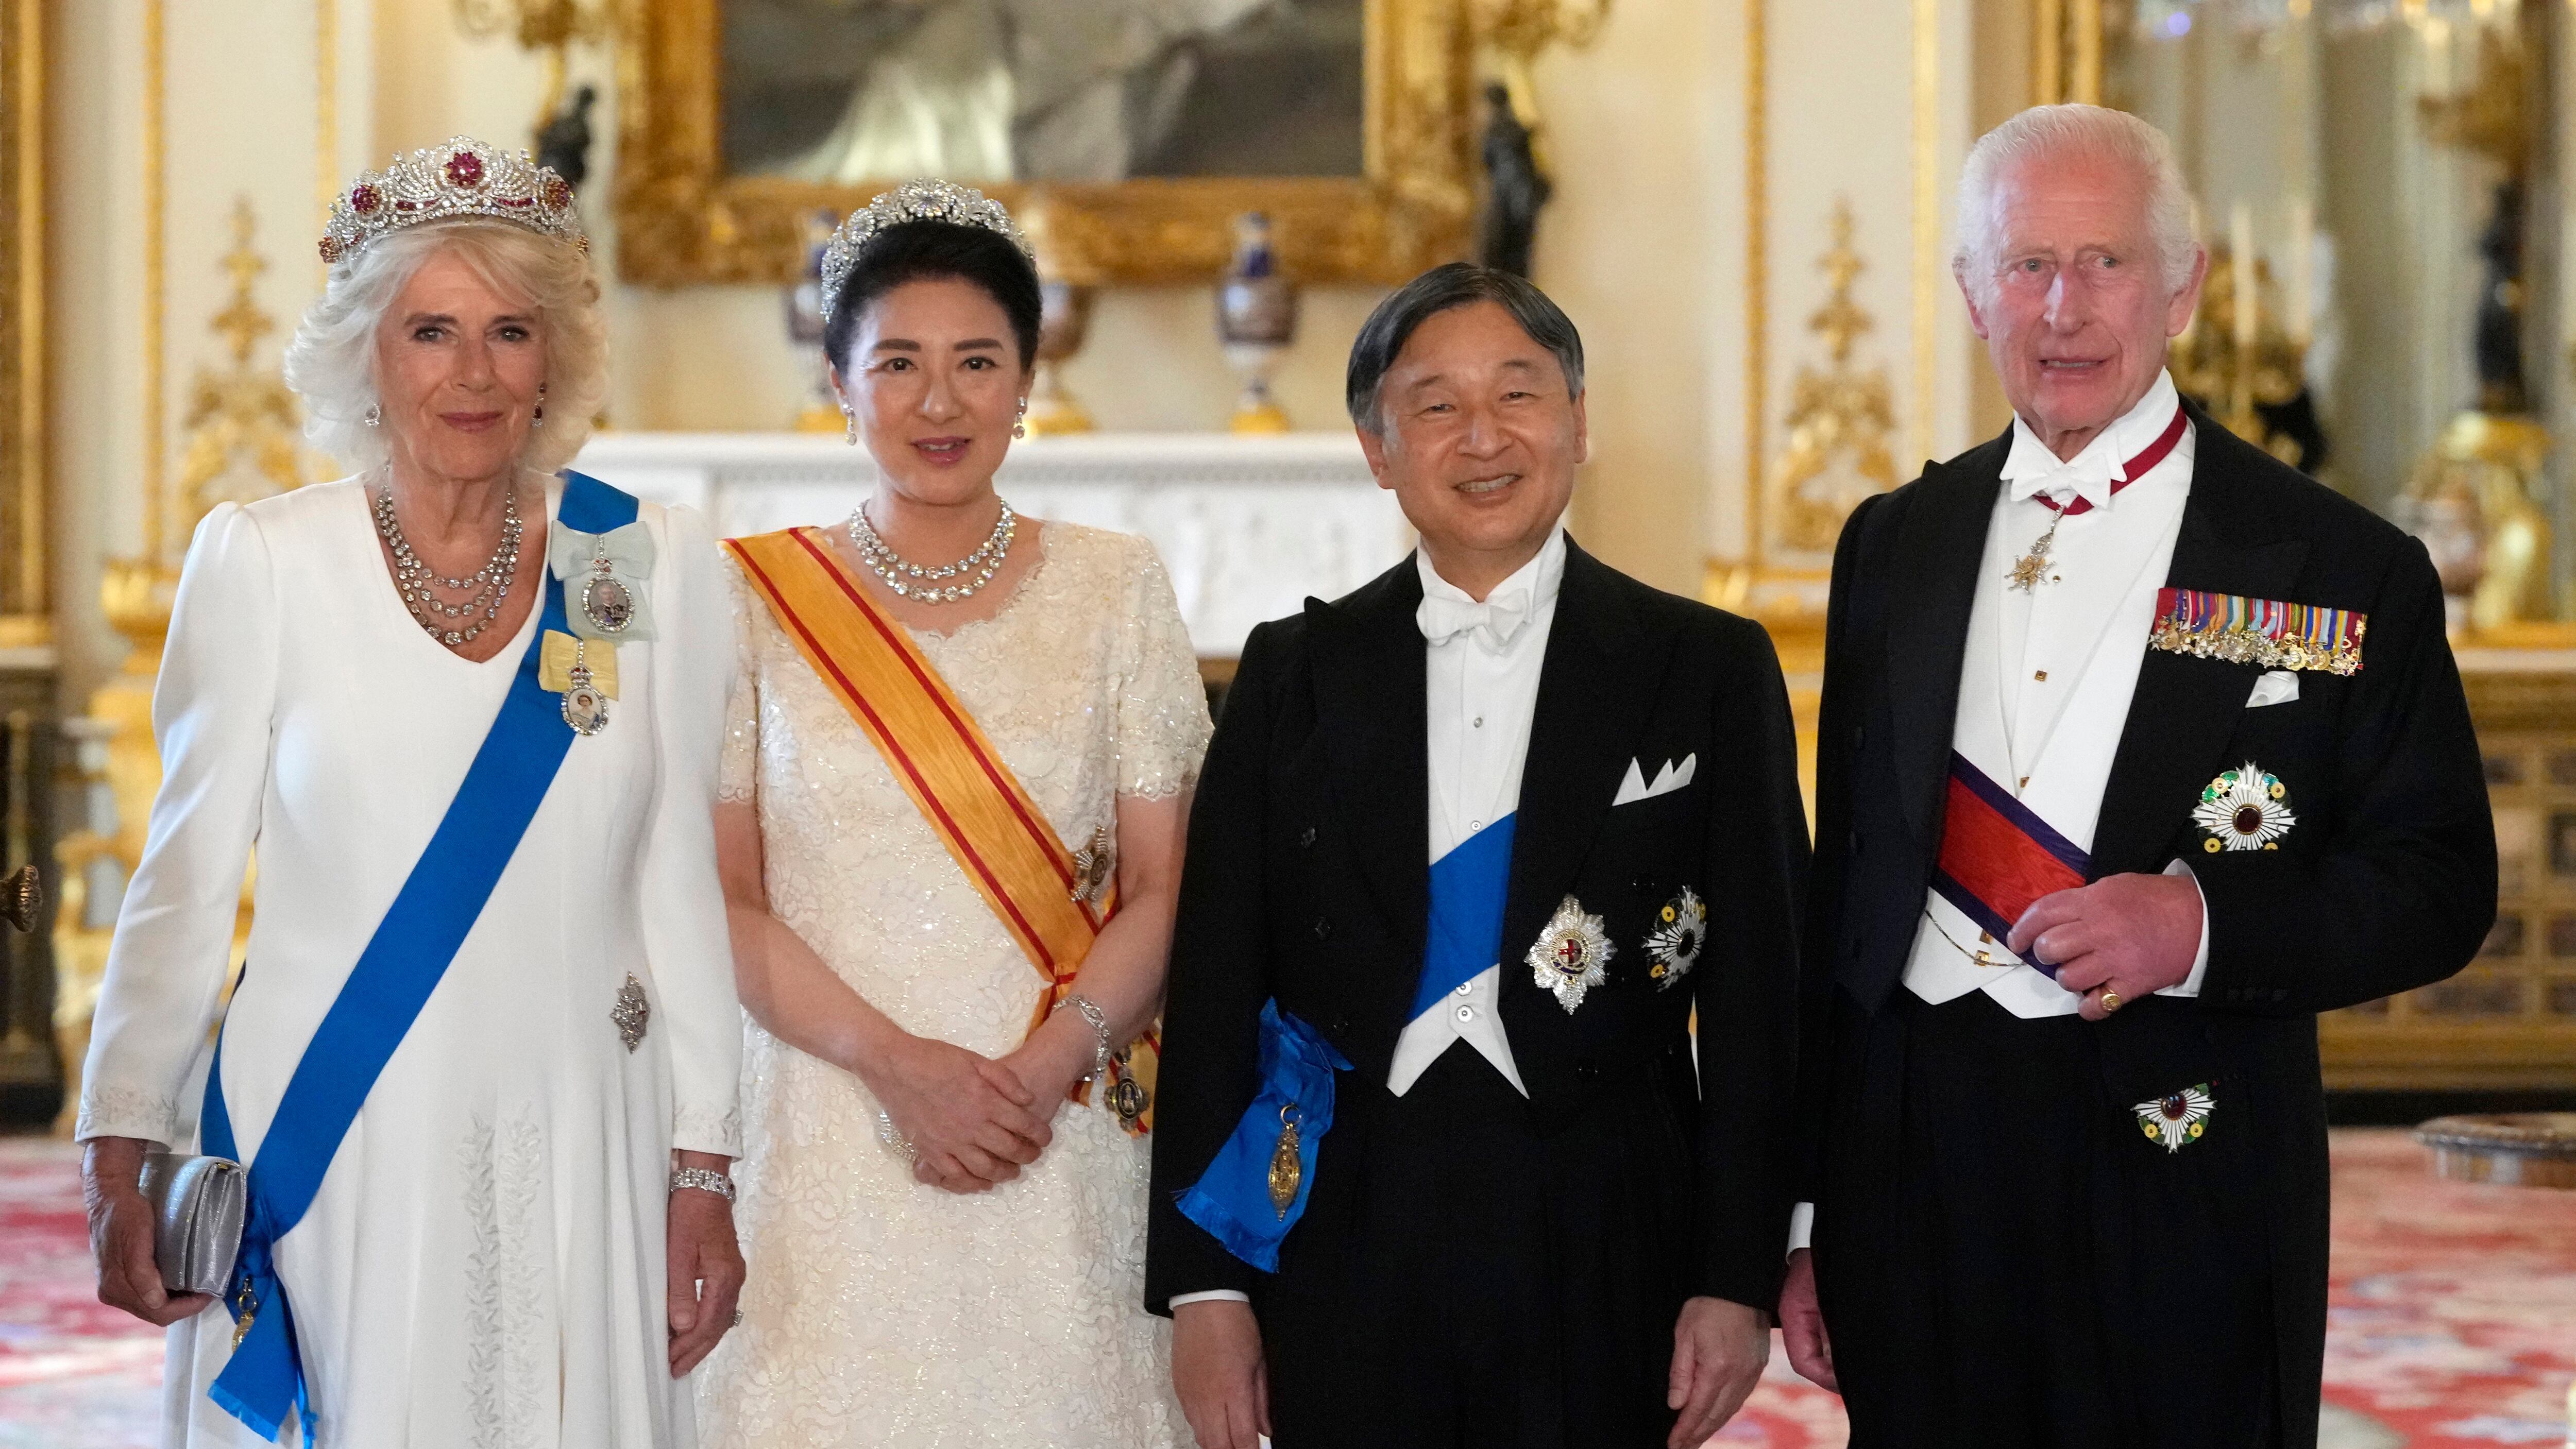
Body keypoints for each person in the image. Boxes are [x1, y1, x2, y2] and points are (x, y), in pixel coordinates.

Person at [1777, 105, 2497, 1449]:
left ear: (2185, 285)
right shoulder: (1893, 542)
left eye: (2105, 261)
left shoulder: (2334, 564)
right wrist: (1813, 1210)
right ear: (1971, 291)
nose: (2064, 306)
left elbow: (2440, 882)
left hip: (2187, 1161)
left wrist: (2204, 927)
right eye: (2028, 264)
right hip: (1914, 1166)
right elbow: (1850, 900)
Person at [75, 137, 744, 1447]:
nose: (475, 373)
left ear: (555, 356)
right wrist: (120, 1148)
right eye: (431, 330)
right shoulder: (268, 560)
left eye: (510, 331)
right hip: (336, 1128)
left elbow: (674, 870)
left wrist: (705, 1160)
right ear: (365, 355)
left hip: (583, 1116)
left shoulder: (629, 553)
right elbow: (185, 878)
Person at [1147, 262, 1809, 1449]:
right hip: (1342, 1219)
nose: (1485, 436)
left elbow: (1764, 996)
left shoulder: (1703, 667)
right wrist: (1206, 1287)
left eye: (1519, 394)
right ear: (1377, 447)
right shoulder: (1290, 673)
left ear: (1578, 422)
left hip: (1609, 1221)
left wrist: (1737, 1271)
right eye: (1436, 405)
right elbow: (1212, 989)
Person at [694, 180, 1208, 1447]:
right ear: (839, 379)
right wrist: (898, 1066)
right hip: (825, 1122)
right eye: (900, 364)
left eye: (978, 361)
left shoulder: (1117, 587)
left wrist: (1038, 1072)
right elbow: (725, 898)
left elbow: (1164, 889)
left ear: (1028, 378)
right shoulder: (750, 598)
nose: (939, 402)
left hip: (1060, 1124)